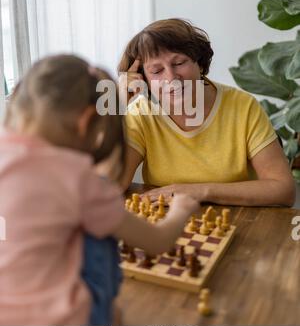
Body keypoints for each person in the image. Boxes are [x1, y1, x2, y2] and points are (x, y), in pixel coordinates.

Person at [0, 54, 199, 326]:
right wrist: (180, 210)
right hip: (63, 320)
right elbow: (158, 241)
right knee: (98, 226)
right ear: (86, 122)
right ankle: (102, 313)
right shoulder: (78, 179)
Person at [118, 18, 295, 207]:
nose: (171, 77)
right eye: (156, 71)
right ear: (143, 79)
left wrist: (199, 191)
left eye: (179, 63)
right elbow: (110, 186)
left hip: (237, 223)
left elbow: (283, 190)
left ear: (200, 64)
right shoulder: (141, 114)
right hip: (167, 225)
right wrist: (118, 107)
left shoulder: (243, 107)